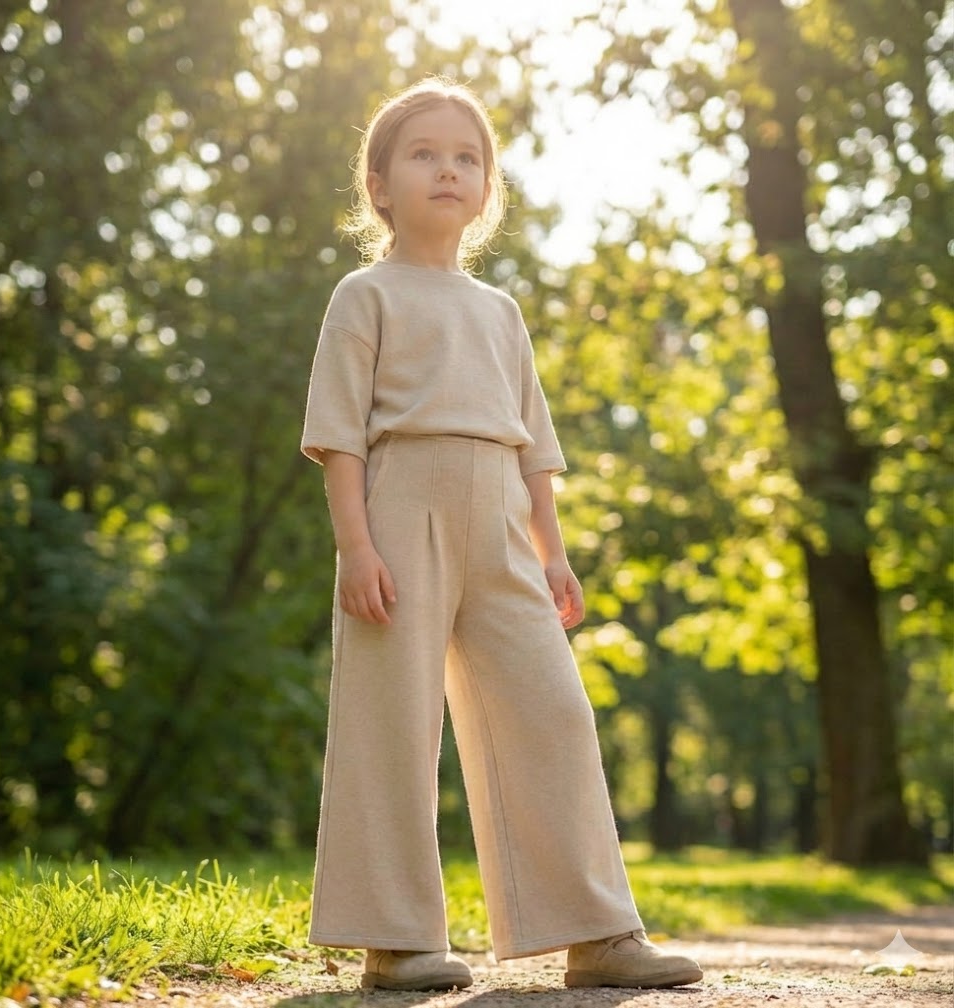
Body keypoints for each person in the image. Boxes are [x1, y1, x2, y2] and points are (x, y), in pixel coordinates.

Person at [300, 75, 703, 993]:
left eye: (467, 158)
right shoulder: (364, 295)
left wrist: (551, 549)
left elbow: (534, 451)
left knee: (553, 711)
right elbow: (338, 442)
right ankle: (396, 940)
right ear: (379, 184)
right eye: (424, 154)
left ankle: (596, 931)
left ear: (487, 189)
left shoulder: (501, 312)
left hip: (502, 523)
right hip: (399, 512)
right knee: (391, 719)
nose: (448, 169)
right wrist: (357, 548)